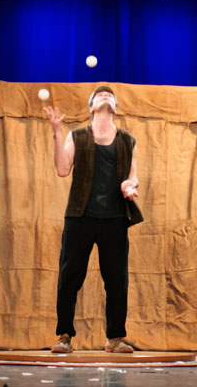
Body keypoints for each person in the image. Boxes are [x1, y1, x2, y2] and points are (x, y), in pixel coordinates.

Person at [43, 85, 143, 354]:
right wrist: (56, 132)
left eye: (109, 95)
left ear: (116, 108)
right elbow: (63, 169)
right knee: (69, 277)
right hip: (80, 217)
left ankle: (115, 338)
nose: (105, 95)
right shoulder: (77, 136)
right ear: (91, 107)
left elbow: (133, 175)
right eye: (99, 95)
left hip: (115, 219)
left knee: (116, 280)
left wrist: (130, 186)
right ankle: (64, 336)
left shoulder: (127, 141)